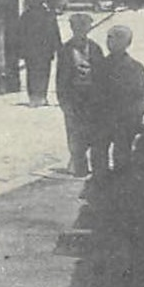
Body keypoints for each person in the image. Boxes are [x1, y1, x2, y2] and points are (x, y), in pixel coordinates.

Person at [94, 24, 144, 175]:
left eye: (114, 39)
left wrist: (134, 116)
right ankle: (100, 184)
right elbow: (91, 93)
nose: (109, 42)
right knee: (99, 156)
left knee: (122, 157)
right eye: (108, 38)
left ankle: (120, 189)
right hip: (102, 119)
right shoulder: (100, 65)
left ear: (125, 43)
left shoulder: (135, 68)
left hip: (125, 121)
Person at [55, 12, 104, 177]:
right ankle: (78, 164)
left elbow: (102, 74)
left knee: (92, 130)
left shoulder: (96, 49)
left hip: (92, 96)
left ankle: (88, 163)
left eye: (85, 29)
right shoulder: (65, 50)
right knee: (74, 131)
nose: (81, 34)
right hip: (74, 96)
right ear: (73, 29)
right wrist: (64, 102)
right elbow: (61, 78)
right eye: (78, 30)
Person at [15, 0, 63, 107]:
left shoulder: (26, 15)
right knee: (43, 73)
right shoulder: (48, 15)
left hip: (31, 51)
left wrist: (20, 50)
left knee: (31, 73)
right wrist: (58, 48)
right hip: (45, 51)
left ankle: (33, 97)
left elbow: (19, 34)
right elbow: (54, 34)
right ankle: (41, 96)